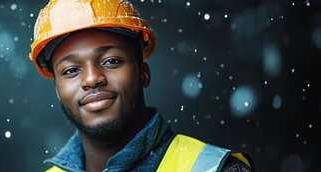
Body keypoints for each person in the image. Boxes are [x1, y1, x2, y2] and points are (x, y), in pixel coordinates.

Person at [29, 0, 253, 171]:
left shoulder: (214, 168)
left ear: (143, 74)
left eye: (111, 61)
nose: (91, 79)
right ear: (58, 90)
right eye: (71, 70)